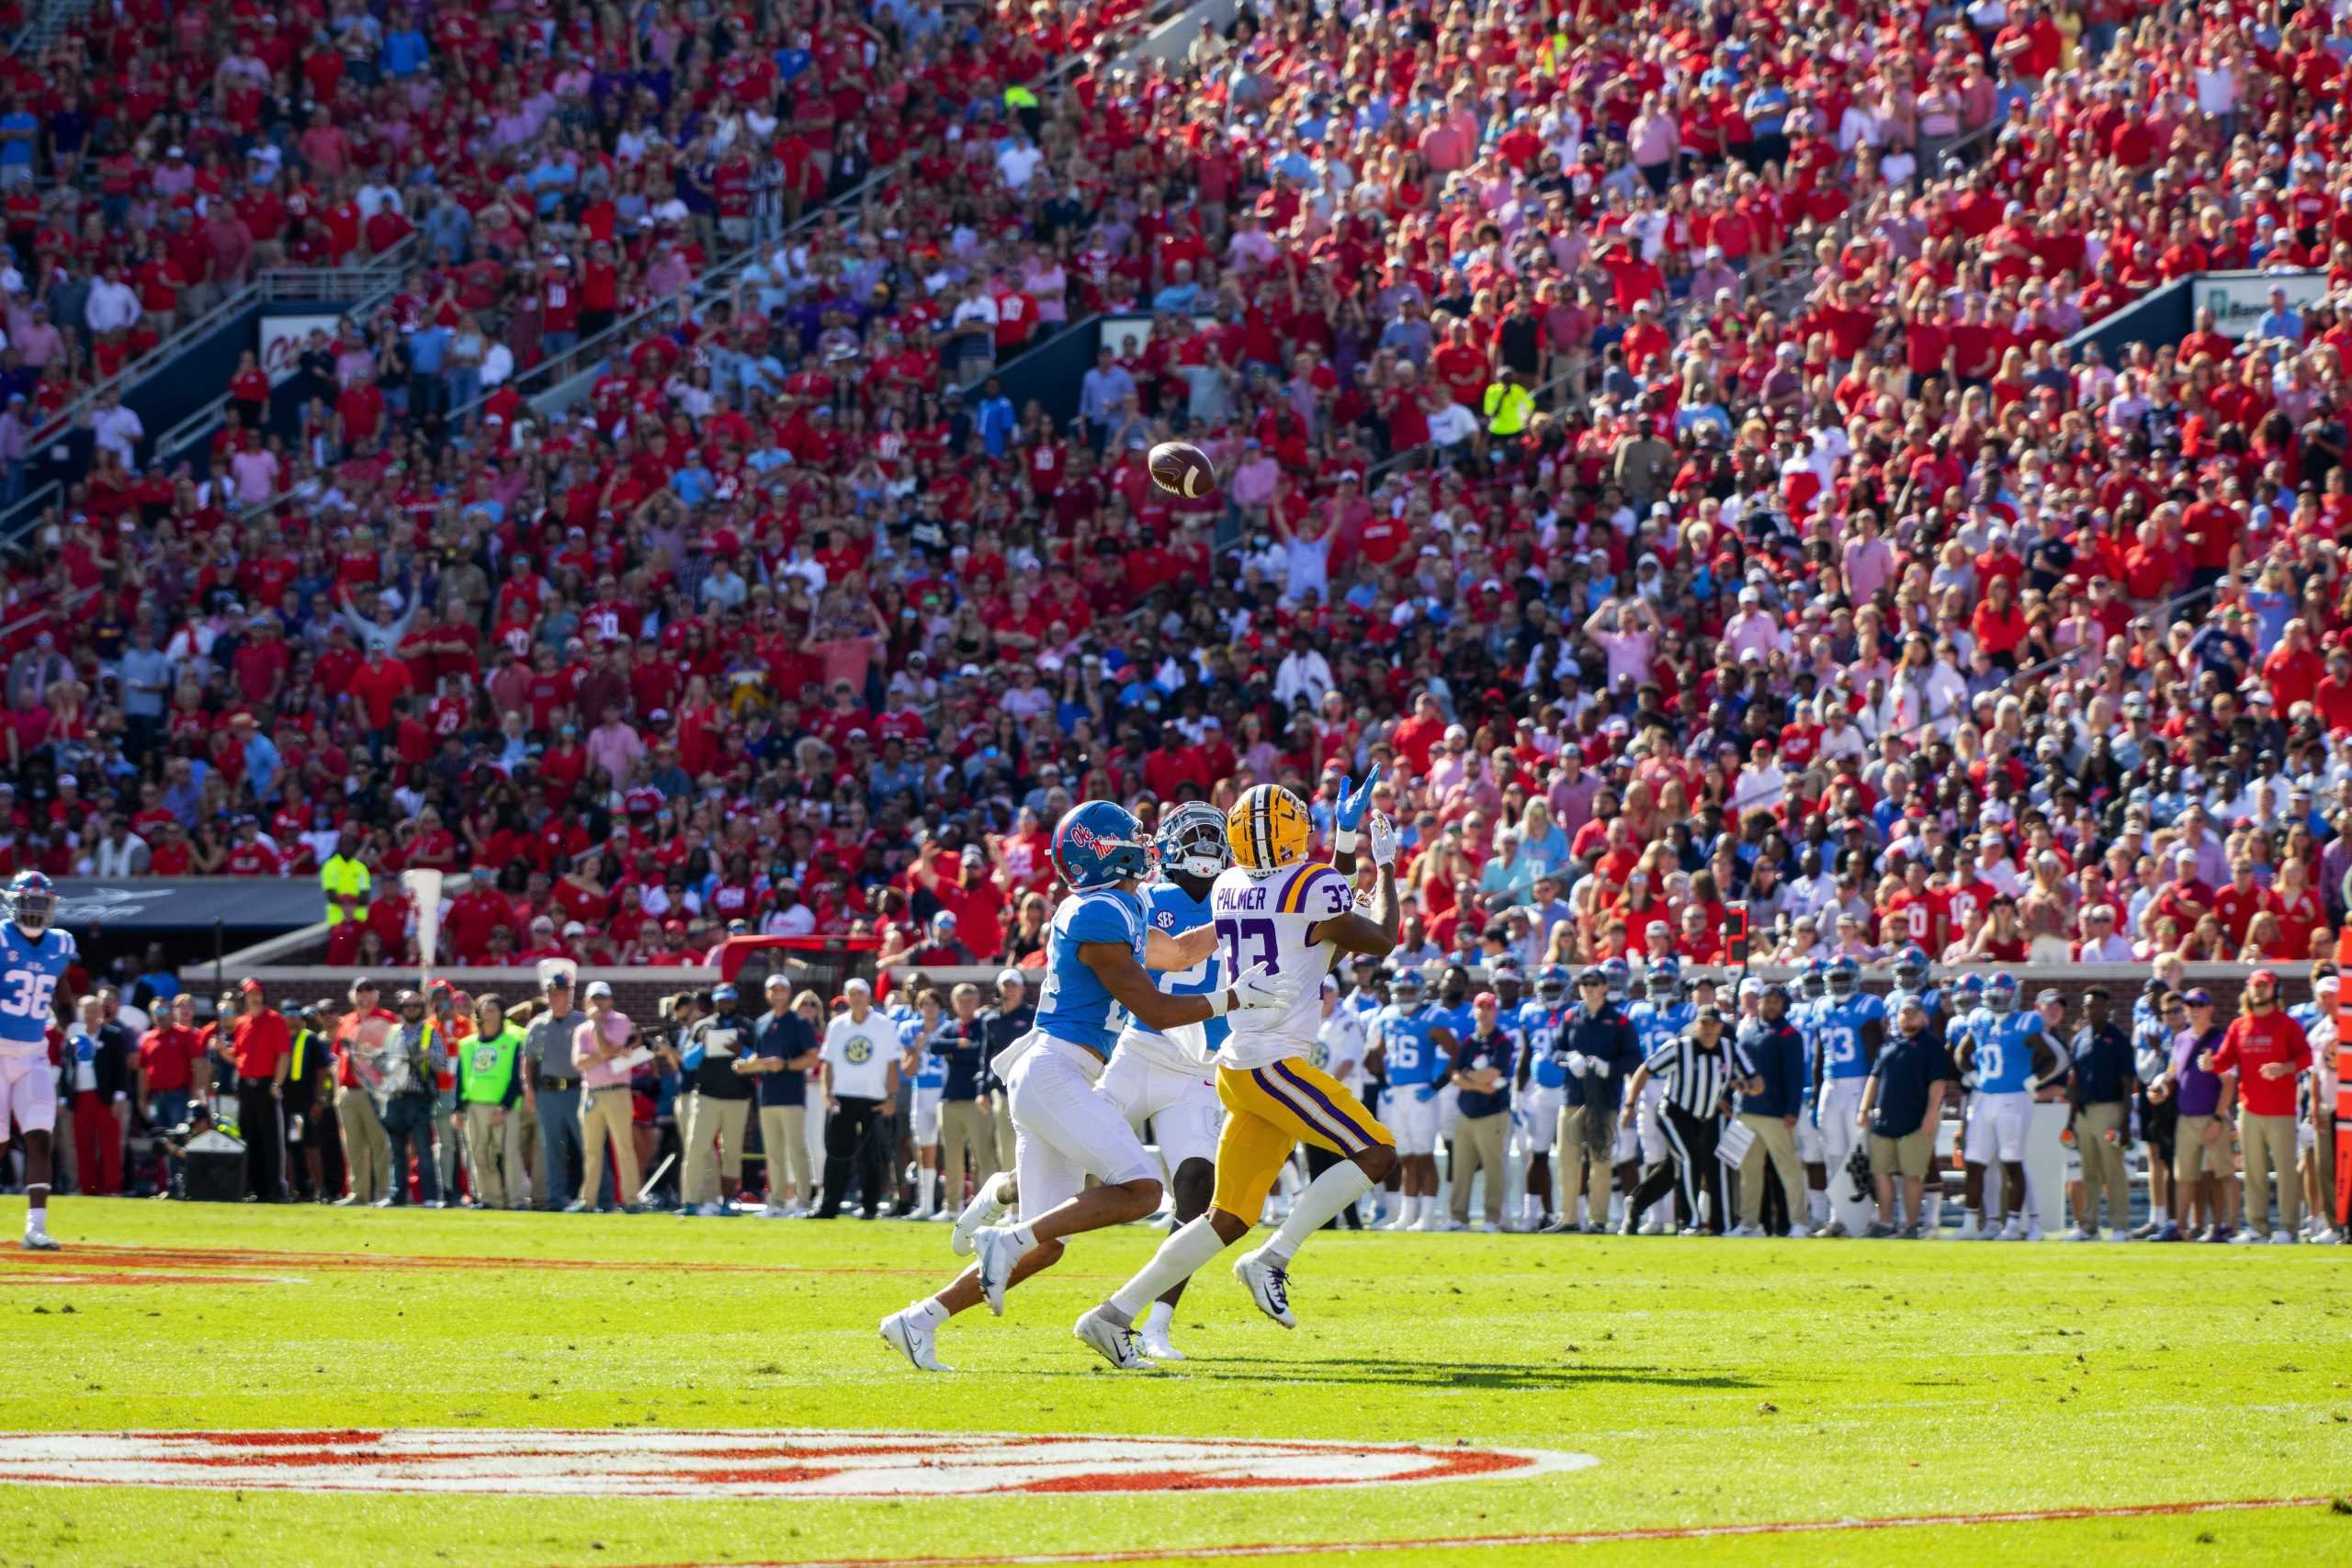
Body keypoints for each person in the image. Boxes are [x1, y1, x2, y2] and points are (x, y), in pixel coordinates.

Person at [878, 798, 1295, 1373]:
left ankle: (917, 1321)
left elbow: (1179, 951)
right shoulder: (1099, 913)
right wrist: (1234, 997)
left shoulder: (1115, 906)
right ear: (1105, 850)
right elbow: (1153, 1006)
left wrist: (1253, 914)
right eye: (1128, 835)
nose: (1142, 842)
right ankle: (1009, 1237)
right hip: (1058, 1070)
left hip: (1059, 1073)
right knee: (1144, 1190)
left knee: (1044, 1245)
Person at [1074, 779, 1400, 1369]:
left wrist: (1346, 843)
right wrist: (1385, 865)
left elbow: (1326, 922)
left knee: (1225, 1218)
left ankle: (1111, 1316)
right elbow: (1376, 936)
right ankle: (1274, 1258)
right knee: (1376, 1153)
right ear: (1294, 830)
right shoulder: (1311, 885)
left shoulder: (1228, 885)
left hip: (1239, 1064)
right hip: (1273, 1062)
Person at [1093, 800, 1236, 1357]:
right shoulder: (1144, 897)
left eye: (1212, 834)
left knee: (1197, 1189)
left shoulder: (1239, 893)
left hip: (1200, 1065)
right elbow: (1168, 957)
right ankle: (1002, 1194)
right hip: (1141, 1046)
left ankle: (1156, 1322)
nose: (1204, 843)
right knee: (1075, 1150)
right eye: (1193, 833)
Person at [2204, 968, 2313, 1243]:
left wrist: (2285, 1067)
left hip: (2281, 1110)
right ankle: (2257, 1227)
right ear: (2249, 990)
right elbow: (2224, 1060)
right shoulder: (2239, 1025)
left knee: (2287, 1173)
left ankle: (2288, 1228)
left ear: (2274, 990)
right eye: (2256, 985)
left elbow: (2307, 1056)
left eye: (2265, 986)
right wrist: (2208, 1064)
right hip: (2249, 1109)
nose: (2260, 990)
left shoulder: (2287, 1024)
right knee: (2253, 1172)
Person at [1952, 972, 2059, 1241]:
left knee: (2012, 1162)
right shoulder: (1979, 1020)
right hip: (1983, 1098)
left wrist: (2031, 1081)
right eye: (1994, 996)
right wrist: (1973, 1076)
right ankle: (1969, 1223)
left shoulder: (2025, 1022)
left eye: (2003, 996)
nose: (1998, 1001)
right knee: (1974, 1162)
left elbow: (2051, 1058)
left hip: (2013, 1098)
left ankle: (2012, 1225)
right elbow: (1961, 1053)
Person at [1621, 1006, 1738, 1235]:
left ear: (1720, 1028)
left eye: (1713, 1025)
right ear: (1696, 1026)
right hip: (1673, 1113)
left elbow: (1749, 1080)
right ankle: (1689, 1221)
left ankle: (1636, 1203)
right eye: (1704, 1024)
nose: (1708, 1030)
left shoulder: (1726, 1050)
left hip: (1702, 1119)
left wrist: (1744, 1088)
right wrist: (1629, 1105)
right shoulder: (1679, 1047)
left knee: (1670, 1171)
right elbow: (1644, 1071)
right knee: (1690, 1159)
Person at [1547, 966, 1641, 1233]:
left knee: (1600, 1161)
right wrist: (1568, 1058)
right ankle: (1567, 1218)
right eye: (1584, 982)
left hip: (1604, 1099)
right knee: (1567, 1159)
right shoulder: (1570, 1016)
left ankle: (1597, 1219)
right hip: (1573, 1097)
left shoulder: (1619, 1021)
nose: (1588, 987)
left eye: (1594, 983)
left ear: (1604, 988)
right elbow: (1553, 1051)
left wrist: (1608, 1067)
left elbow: (1634, 1058)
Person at [1857, 998, 1954, 1237]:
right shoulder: (1888, 1046)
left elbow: (1938, 1083)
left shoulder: (1931, 1046)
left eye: (1913, 1013)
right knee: (1880, 1171)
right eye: (1904, 1013)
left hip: (1916, 1120)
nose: (1908, 1017)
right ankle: (1886, 1221)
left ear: (1924, 1017)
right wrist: (1863, 1108)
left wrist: (1931, 1115)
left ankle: (1910, 1225)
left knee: (1912, 1175)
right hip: (1885, 1119)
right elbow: (1874, 1078)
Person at [1366, 967, 1453, 1231]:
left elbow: (1454, 1052)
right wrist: (1383, 1083)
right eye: (1401, 990)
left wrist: (1436, 1085)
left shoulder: (1432, 1016)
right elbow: (1375, 1055)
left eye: (1410, 990)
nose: (1405, 995)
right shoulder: (1388, 1016)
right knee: (1406, 1156)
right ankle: (1407, 1215)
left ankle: (1426, 1216)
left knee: (1425, 1155)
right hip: (1396, 1093)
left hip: (1421, 1092)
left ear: (1421, 991)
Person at [1729, 983, 1809, 1238]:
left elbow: (1795, 1076)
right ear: (1759, 1002)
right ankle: (1750, 1223)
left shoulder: (1790, 1035)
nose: (1772, 1004)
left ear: (1785, 1005)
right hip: (1746, 1110)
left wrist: (1791, 1111)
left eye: (1777, 1000)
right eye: (1767, 999)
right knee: (1748, 1171)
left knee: (1788, 1169)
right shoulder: (1748, 1030)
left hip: (1776, 1113)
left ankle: (1799, 1221)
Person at [2154, 987, 2233, 1242]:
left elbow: (2228, 1082)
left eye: (2200, 1005)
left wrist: (2218, 1118)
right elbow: (2172, 1072)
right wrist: (2160, 1089)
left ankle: (2221, 1226)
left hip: (2212, 1115)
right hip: (2186, 1115)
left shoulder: (2220, 1039)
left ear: (2210, 1008)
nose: (2194, 1010)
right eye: (2190, 1005)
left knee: (2218, 1175)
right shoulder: (2180, 1039)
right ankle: (2180, 1226)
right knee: (2184, 1175)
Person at [817, 978, 900, 1220]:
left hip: (874, 1098)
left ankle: (870, 1207)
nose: (856, 998)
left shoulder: (884, 1025)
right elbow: (828, 1063)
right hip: (842, 1098)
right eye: (852, 994)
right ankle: (829, 1207)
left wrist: (891, 1097)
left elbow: (892, 1064)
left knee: (872, 1157)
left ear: (869, 996)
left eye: (860, 994)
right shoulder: (837, 1025)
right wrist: (827, 1094)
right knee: (836, 1155)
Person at [676, 982, 757, 1216]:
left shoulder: (747, 1027)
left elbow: (756, 1060)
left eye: (729, 1000)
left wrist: (740, 1050)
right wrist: (704, 1045)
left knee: (731, 1152)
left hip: (737, 1098)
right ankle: (690, 1201)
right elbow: (688, 1062)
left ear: (736, 1001)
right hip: (707, 1097)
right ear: (715, 1002)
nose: (725, 1005)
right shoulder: (703, 1026)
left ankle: (728, 1200)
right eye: (721, 1000)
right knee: (696, 1148)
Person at [2063, 987, 2135, 1242]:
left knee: (2113, 1170)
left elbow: (2128, 1082)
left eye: (2096, 1006)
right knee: (2088, 1171)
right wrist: (2071, 1118)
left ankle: (2120, 1225)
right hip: (2083, 1111)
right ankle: (2089, 1225)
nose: (2091, 1010)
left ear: (2107, 1009)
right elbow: (2074, 1081)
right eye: (2087, 1006)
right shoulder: (2080, 1039)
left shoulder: (2118, 1040)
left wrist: (2125, 1122)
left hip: (2109, 1109)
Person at [749, 974, 819, 1217]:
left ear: (788, 993)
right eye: (773, 989)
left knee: (796, 1150)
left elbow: (812, 1057)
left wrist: (786, 1065)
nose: (778, 994)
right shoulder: (761, 1023)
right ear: (767, 993)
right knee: (774, 1153)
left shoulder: (800, 1023)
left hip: (792, 1096)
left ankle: (803, 1202)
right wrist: (745, 1066)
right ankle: (776, 1202)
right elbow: (757, 1058)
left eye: (782, 989)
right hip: (767, 1096)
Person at [1448, 991, 1518, 1232]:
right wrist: (1477, 1083)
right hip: (1467, 1111)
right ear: (1474, 1010)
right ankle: (1458, 1217)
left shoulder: (1503, 1041)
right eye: (1480, 1006)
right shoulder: (1469, 1042)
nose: (1484, 1011)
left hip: (1493, 1113)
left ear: (1495, 1011)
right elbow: (1456, 1076)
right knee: (1461, 1169)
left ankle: (1493, 1218)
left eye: (1488, 1007)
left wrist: (1470, 1077)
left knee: (1494, 1169)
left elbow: (1494, 1074)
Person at [571, 980, 643, 1213]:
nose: (599, 1003)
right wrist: (605, 1054)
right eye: (595, 999)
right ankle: (588, 1201)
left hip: (617, 1092)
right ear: (586, 1002)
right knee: (591, 1151)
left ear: (610, 1000)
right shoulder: (581, 1029)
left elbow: (610, 1048)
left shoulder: (620, 1021)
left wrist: (598, 1029)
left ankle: (631, 1200)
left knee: (624, 1147)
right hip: (591, 1092)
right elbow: (578, 1063)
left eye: (603, 998)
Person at [1512, 965, 1574, 1231]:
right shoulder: (1529, 1012)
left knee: (1571, 1156)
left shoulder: (1574, 1013)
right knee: (1537, 1155)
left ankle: (1572, 1213)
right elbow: (1526, 1055)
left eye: (1554, 988)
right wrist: (1517, 1090)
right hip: (1538, 1092)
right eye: (1546, 988)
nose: (1550, 993)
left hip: (1569, 1091)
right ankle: (1532, 1214)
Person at [523, 972, 587, 1211]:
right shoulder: (537, 1025)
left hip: (576, 1090)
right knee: (552, 1149)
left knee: (587, 1146)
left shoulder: (582, 1022)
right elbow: (528, 1062)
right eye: (552, 993)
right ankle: (556, 1199)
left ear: (569, 994)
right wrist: (529, 1088)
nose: (556, 998)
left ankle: (597, 1197)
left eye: (561, 993)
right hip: (548, 1092)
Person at [457, 993, 526, 1210]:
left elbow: (516, 1077)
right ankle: (489, 1198)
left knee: (510, 1153)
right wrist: (458, 1108)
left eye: (494, 1010)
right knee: (479, 1154)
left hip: (503, 1107)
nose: (489, 1015)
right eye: (485, 1010)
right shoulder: (467, 1045)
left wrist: (504, 1106)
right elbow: (461, 1077)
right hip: (475, 1106)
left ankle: (517, 1200)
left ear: (502, 1014)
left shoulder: (512, 1042)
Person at [227, 978, 293, 1201]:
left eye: (257, 994)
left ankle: (275, 1188)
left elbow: (284, 1055)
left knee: (271, 1139)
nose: (254, 998)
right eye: (250, 994)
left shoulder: (275, 1020)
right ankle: (253, 1188)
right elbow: (238, 1057)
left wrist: (277, 1083)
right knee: (248, 1137)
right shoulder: (241, 1022)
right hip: (247, 1085)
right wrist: (220, 1051)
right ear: (244, 998)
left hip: (267, 1084)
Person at [376, 988, 443, 1208]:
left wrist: (425, 1055)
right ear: (401, 1009)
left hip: (419, 1097)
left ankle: (430, 1197)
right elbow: (384, 1064)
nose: (411, 1009)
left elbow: (441, 1064)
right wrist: (378, 1060)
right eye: (407, 1006)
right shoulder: (393, 1032)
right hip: (395, 1097)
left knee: (424, 1150)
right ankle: (397, 1196)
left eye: (416, 1006)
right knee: (396, 1150)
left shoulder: (430, 1033)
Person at [62, 993, 129, 1197]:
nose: (91, 1014)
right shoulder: (74, 1038)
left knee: (110, 1144)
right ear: (81, 1013)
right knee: (83, 1145)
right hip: (81, 1098)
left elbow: (121, 1069)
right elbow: (67, 1069)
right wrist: (64, 1097)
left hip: (106, 1098)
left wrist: (119, 1097)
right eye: (87, 1010)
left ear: (101, 1012)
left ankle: (112, 1188)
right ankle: (88, 1188)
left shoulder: (113, 1035)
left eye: (95, 1009)